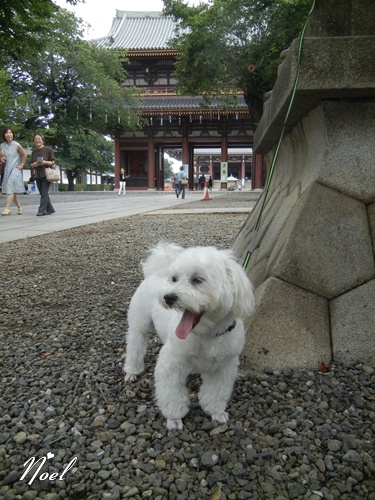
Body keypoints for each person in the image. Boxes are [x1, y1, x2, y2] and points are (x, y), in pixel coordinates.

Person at [1, 127, 27, 216]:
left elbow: (24, 155)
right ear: (4, 135)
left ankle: (7, 208)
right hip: (7, 169)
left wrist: (22, 165)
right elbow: (1, 156)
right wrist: (1, 158)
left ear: (13, 134)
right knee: (11, 190)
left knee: (10, 188)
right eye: (7, 133)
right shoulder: (2, 146)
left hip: (15, 169)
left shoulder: (16, 144)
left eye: (10, 133)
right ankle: (19, 207)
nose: (9, 135)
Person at [30, 133, 56, 216]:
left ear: (42, 140)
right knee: (42, 193)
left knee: (44, 193)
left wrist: (44, 162)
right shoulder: (34, 152)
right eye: (35, 139)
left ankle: (41, 210)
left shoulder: (48, 150)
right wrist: (34, 164)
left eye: (39, 139)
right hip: (37, 175)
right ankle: (50, 209)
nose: (37, 140)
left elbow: (53, 162)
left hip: (46, 174)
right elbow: (31, 163)